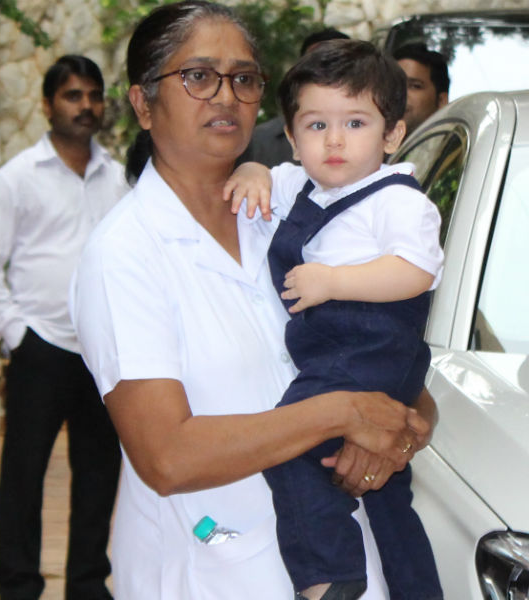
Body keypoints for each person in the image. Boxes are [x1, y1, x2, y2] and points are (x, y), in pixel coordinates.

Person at [68, 2, 437, 599]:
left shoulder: (290, 215)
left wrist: (400, 435)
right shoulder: (125, 254)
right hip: (211, 567)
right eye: (197, 76)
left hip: (343, 561)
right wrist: (343, 415)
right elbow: (167, 457)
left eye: (243, 79)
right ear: (142, 103)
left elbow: (398, 381)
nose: (225, 96)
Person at [227, 39, 444, 600]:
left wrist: (334, 282)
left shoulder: (397, 200)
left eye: (355, 122)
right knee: (389, 497)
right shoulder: (303, 186)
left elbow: (417, 270)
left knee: (291, 444)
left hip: (372, 350)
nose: (336, 140)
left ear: (392, 135)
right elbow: (263, 177)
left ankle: (329, 574)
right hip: (332, 354)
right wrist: (251, 169)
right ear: (294, 139)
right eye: (316, 126)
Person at [0, 55, 126, 600]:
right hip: (41, 348)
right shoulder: (16, 178)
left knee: (99, 474)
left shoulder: (118, 178)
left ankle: (86, 583)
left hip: (101, 351)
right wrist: (15, 333)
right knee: (24, 475)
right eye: (73, 95)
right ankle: (18, 586)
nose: (86, 106)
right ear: (47, 104)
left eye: (93, 96)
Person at [236, 27, 350, 167]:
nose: (327, 73)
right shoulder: (259, 141)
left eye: (337, 64)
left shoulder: (374, 135)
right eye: (316, 64)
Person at [392, 43, 449, 137]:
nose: (399, 93)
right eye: (394, 84)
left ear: (441, 101)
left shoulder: (456, 148)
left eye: (415, 86)